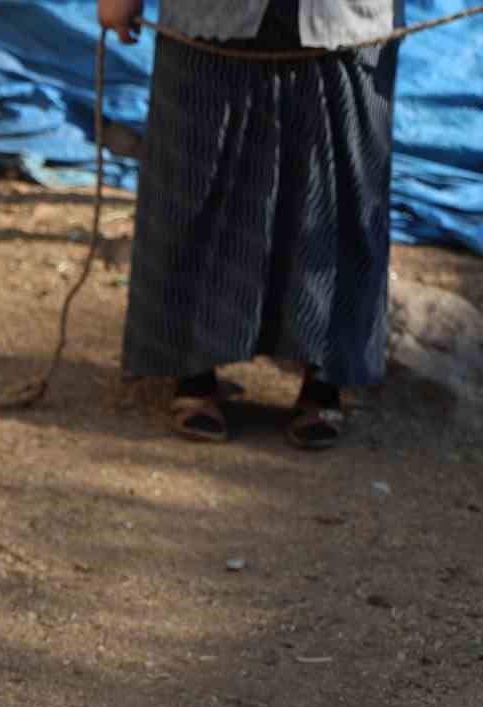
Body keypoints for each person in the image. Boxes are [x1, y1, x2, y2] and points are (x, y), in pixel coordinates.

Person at [98, 0, 401, 447]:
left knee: (333, 194)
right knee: (194, 186)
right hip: (211, 21)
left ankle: (325, 383)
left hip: (344, 22)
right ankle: (192, 374)